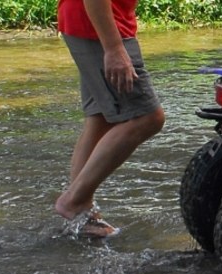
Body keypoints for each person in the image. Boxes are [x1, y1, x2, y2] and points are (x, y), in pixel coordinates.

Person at [55, 0, 165, 237]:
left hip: (86, 22)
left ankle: (82, 215)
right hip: (100, 26)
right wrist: (114, 49)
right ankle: (74, 201)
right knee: (148, 117)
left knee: (101, 119)